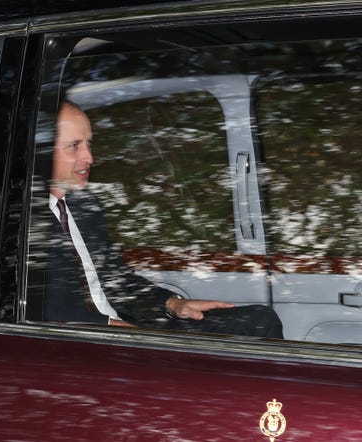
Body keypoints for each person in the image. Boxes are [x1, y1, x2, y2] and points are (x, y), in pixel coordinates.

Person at [41, 100, 283, 338]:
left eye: (89, 143)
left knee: (261, 322)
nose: (89, 157)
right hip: (82, 344)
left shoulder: (84, 206)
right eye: (74, 145)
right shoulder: (25, 221)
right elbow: (50, 313)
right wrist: (133, 335)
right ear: (41, 151)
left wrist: (172, 304)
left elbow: (117, 280)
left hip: (122, 328)